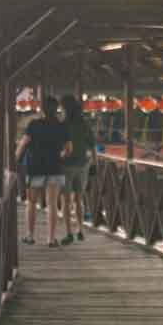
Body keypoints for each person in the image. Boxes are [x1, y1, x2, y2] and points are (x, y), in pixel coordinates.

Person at [16, 96, 69, 247]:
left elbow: (23, 144)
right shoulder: (61, 126)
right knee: (52, 204)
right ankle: (51, 239)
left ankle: (30, 236)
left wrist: (14, 159)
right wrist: (60, 156)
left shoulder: (34, 124)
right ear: (56, 110)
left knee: (31, 202)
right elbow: (68, 149)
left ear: (42, 110)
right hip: (55, 168)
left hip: (35, 168)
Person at [59, 93, 94, 244]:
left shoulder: (62, 125)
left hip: (66, 165)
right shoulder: (84, 124)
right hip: (83, 164)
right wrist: (94, 165)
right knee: (79, 198)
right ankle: (80, 230)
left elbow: (60, 146)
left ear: (65, 108)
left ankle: (68, 233)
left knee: (66, 200)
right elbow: (92, 146)